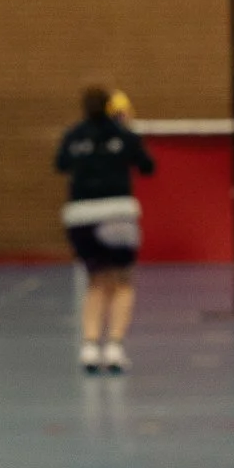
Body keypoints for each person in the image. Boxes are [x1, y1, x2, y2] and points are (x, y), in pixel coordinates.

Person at [55, 86, 155, 374]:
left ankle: (88, 347)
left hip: (80, 216)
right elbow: (147, 167)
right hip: (117, 214)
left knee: (96, 281)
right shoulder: (124, 135)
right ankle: (113, 346)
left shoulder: (73, 135)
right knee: (123, 282)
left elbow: (61, 164)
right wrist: (125, 130)